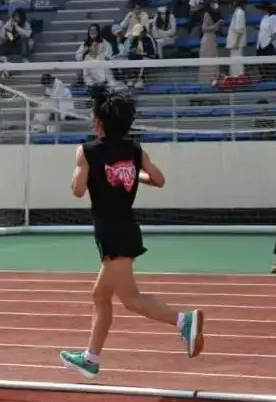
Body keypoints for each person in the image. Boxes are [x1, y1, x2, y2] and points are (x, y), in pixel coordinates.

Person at [59, 86, 205, 379]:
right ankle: (90, 358)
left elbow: (77, 190)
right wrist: (130, 174)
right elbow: (159, 179)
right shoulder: (135, 150)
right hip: (127, 227)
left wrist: (81, 168)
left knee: (131, 299)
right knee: (100, 295)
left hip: (110, 233)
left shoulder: (87, 151)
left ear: (99, 121)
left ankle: (183, 321)